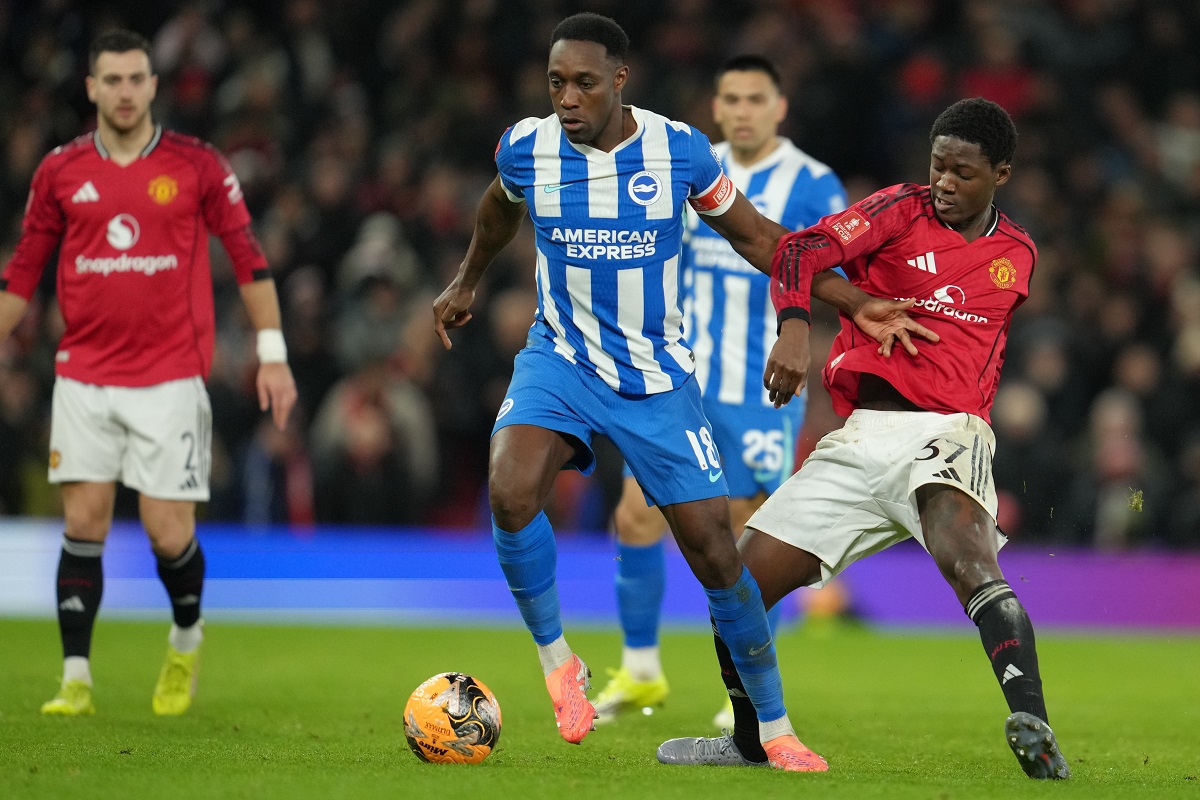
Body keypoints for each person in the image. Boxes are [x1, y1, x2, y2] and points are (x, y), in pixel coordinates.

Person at [432, 12, 930, 770]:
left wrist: (846, 303)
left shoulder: (677, 151)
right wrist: (466, 280)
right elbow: (499, 207)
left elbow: (761, 237)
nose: (567, 98)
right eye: (557, 83)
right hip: (558, 359)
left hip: (655, 379)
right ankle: (559, 662)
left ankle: (774, 725)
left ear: (619, 82)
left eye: (585, 83)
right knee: (509, 492)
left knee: (717, 555)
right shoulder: (525, 146)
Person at [656, 97, 1071, 780]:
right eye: (937, 165)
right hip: (859, 440)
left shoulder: (1016, 256)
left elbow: (967, 343)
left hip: (948, 432)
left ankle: (1033, 726)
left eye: (963, 172)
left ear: (1002, 172)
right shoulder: (897, 211)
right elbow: (798, 250)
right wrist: (797, 327)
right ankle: (749, 738)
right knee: (735, 587)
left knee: (965, 559)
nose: (943, 182)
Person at [0, 29, 297, 716]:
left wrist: (273, 354)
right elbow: (22, 275)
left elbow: (248, 258)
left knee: (168, 532)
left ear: (153, 86)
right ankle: (75, 677)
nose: (126, 92)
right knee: (84, 522)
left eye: (137, 79)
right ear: (92, 88)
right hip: (83, 375)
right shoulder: (60, 172)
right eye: (113, 80)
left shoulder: (197, 165)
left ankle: (186, 638)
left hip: (168, 379)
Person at [591, 54, 849, 727]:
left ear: (779, 106)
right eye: (730, 97)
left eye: (755, 98)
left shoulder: (814, 185)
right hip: (677, 377)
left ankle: (743, 688)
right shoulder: (684, 164)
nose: (742, 111)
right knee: (636, 515)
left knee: (739, 546)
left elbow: (834, 273)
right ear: (715, 104)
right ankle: (641, 671)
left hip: (758, 388)